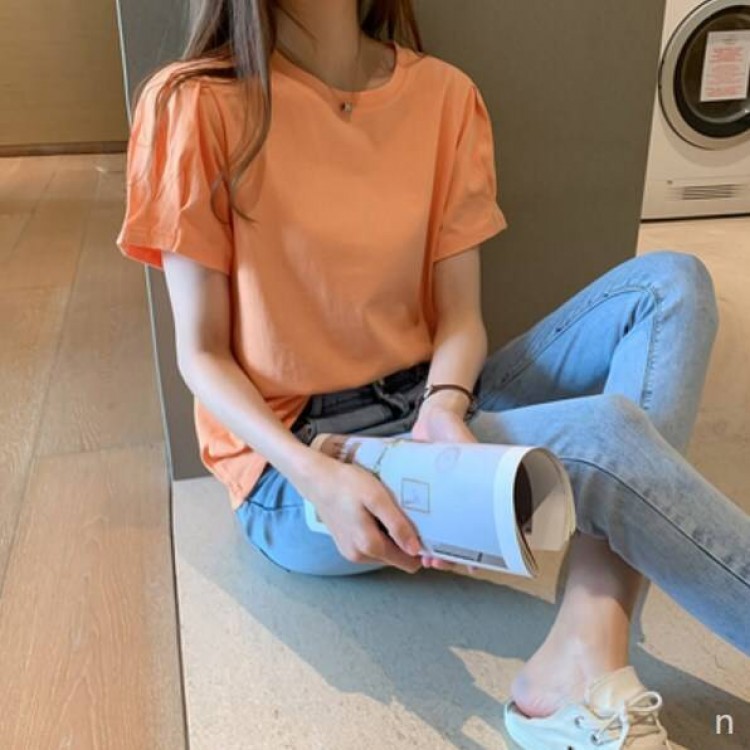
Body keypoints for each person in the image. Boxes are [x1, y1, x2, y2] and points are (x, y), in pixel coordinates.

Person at [116, 1, 750, 747]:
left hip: (430, 409)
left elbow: (459, 319)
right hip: (297, 470)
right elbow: (201, 355)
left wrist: (445, 408)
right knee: (601, 436)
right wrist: (315, 476)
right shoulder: (193, 103)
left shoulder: (444, 95)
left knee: (671, 284)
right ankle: (585, 649)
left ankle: (587, 632)